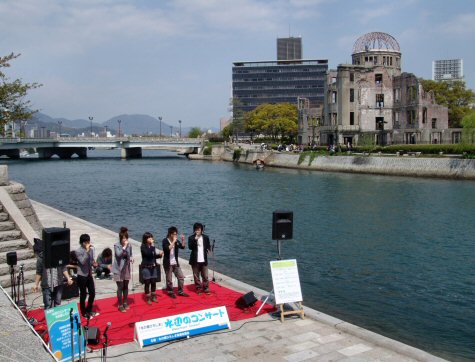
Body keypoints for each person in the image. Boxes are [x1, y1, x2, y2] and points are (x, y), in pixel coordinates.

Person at [76, 233, 99, 318]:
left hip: (89, 274)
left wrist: (94, 263)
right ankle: (83, 312)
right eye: (86, 242)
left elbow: (91, 260)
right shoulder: (78, 251)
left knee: (92, 293)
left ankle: (89, 309)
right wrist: (86, 251)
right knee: (83, 294)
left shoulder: (91, 250)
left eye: (88, 241)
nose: (88, 243)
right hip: (82, 275)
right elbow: (82, 262)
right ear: (82, 243)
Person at [162, 226, 189, 298]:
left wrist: (183, 240)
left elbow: (182, 247)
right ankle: (170, 292)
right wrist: (173, 241)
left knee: (181, 277)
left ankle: (180, 291)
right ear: (170, 234)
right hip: (168, 263)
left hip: (175, 262)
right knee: (169, 279)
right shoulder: (165, 240)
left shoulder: (176, 241)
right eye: (174, 234)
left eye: (176, 234)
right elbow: (167, 249)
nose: (175, 235)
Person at [112, 227, 133, 312]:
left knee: (126, 286)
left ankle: (125, 302)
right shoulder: (116, 245)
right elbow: (118, 255)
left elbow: (130, 254)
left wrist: (131, 258)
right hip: (118, 269)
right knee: (120, 287)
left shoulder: (129, 245)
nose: (125, 240)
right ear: (120, 239)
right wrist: (124, 246)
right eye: (123, 238)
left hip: (126, 268)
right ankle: (120, 304)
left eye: (126, 238)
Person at [188, 223, 212, 295]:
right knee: (196, 275)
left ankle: (206, 288)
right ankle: (198, 288)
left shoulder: (206, 237)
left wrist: (209, 250)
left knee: (205, 275)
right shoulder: (191, 238)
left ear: (201, 230)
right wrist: (195, 240)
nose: (197, 231)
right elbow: (190, 247)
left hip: (203, 259)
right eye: (196, 229)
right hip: (195, 260)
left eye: (199, 229)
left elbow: (208, 246)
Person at [141, 232, 163, 305]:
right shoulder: (143, 247)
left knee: (153, 282)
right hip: (146, 267)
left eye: (151, 237)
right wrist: (152, 246)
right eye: (149, 238)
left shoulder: (152, 247)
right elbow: (148, 254)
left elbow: (153, 256)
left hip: (153, 266)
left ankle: (153, 296)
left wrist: (159, 255)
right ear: (146, 239)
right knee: (147, 283)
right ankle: (147, 298)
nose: (151, 239)